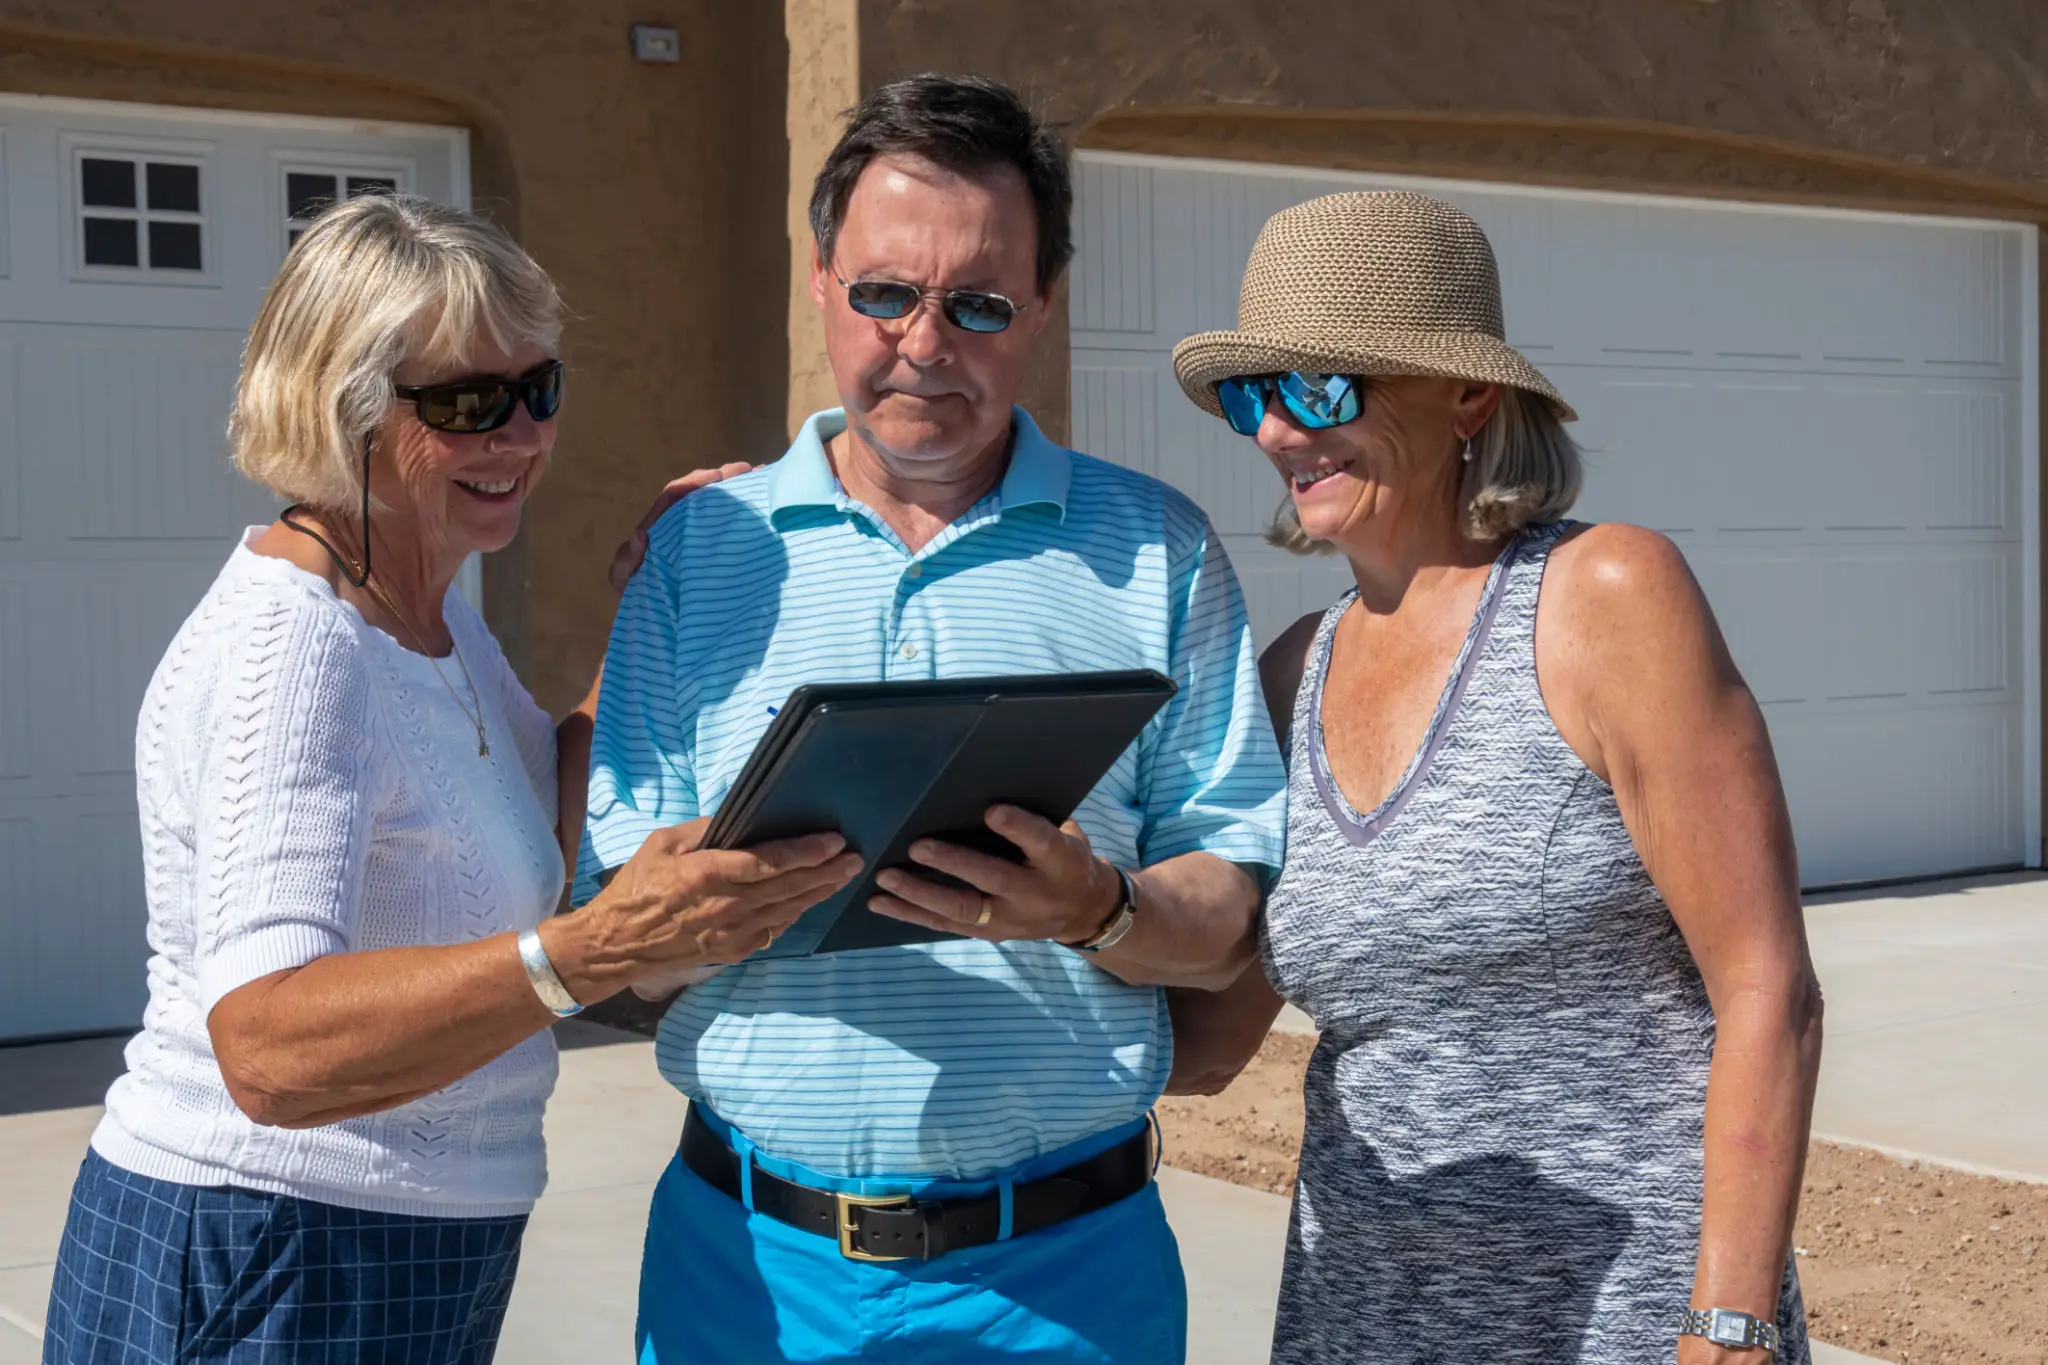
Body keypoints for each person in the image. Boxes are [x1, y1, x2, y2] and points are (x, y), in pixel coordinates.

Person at [41, 193, 861, 1364]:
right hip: (271, 1244)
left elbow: (541, 815)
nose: (522, 438)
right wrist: (594, 953)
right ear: (344, 407)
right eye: (469, 403)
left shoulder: (427, 611)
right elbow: (268, 1053)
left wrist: (654, 598)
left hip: (401, 1245)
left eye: (541, 390)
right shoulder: (297, 648)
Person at [577, 74, 1286, 1364]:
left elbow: (1230, 921)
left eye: (978, 304)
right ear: (818, 282)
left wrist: (1095, 908)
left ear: (1043, 308)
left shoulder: (1156, 552)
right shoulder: (697, 553)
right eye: (883, 293)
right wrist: (692, 914)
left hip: (1072, 1283)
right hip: (748, 1275)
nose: (922, 342)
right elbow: (618, 946)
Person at [1161, 190, 1825, 1364]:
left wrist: (1728, 1325)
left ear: (1468, 394)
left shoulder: (1604, 597)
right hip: (1359, 1320)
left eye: (1317, 389)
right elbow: (1211, 1044)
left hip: (1627, 1325)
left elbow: (1767, 988)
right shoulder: (1287, 674)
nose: (1273, 432)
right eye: (1249, 396)